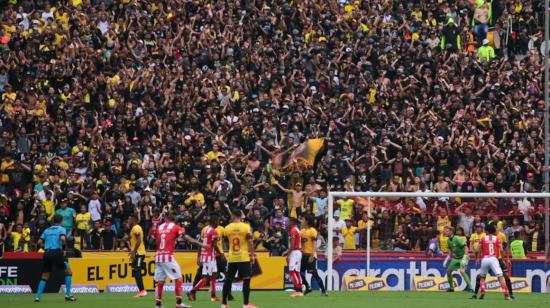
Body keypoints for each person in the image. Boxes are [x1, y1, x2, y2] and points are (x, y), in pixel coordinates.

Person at [154, 214, 203, 308]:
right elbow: (187, 239)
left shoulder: (159, 227)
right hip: (167, 256)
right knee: (178, 278)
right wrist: (201, 244)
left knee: (160, 281)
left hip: (158, 256)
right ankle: (179, 303)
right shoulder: (176, 227)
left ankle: (158, 305)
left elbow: (152, 241)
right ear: (175, 220)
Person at [34, 215, 76, 302]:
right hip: (56, 253)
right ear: (61, 221)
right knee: (69, 272)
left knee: (45, 276)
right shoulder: (61, 229)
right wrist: (64, 249)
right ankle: (68, 295)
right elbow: (63, 239)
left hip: (47, 253)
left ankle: (37, 297)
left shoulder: (47, 230)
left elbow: (39, 242)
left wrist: (46, 248)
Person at [221, 210, 257, 308]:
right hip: (243, 257)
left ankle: (224, 304)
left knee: (228, 280)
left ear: (233, 215)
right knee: (246, 280)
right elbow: (250, 242)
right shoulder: (246, 227)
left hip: (232, 257)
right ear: (241, 216)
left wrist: (228, 250)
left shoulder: (227, 228)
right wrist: (252, 255)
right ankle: (245, 304)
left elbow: (225, 241)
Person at [188, 215, 224, 302]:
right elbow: (215, 245)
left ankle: (213, 296)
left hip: (206, 256)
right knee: (207, 277)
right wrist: (221, 254)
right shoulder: (213, 231)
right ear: (214, 221)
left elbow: (201, 243)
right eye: (217, 221)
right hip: (209, 257)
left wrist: (199, 255)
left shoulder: (205, 230)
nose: (218, 223)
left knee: (214, 275)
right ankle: (192, 291)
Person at [476, 223, 511, 300]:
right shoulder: (497, 238)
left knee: (482, 277)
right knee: (500, 276)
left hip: (484, 259)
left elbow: (477, 249)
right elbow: (501, 250)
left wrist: (477, 258)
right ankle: (506, 294)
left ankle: (482, 289)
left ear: (487, 231)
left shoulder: (483, 238)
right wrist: (502, 259)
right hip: (494, 259)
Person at [300, 215, 327, 296]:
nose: (301, 220)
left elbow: (314, 244)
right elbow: (302, 242)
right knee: (300, 273)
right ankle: (308, 287)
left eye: (303, 219)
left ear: (307, 221)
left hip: (310, 255)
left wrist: (312, 255)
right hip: (304, 255)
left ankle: (323, 291)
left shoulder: (312, 231)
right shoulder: (302, 231)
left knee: (314, 273)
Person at [442, 226, 473, 292]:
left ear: (451, 232)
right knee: (448, 272)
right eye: (445, 231)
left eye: (447, 231)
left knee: (462, 271)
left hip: (463, 257)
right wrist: (446, 260)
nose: (445, 232)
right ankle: (451, 288)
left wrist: (465, 257)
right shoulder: (448, 241)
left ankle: (471, 288)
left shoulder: (457, 238)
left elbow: (466, 247)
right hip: (456, 259)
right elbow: (450, 251)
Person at [128, 214, 147, 298]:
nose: (128, 221)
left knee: (137, 271)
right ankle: (141, 290)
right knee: (136, 271)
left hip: (139, 253)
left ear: (133, 219)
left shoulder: (136, 228)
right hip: (137, 253)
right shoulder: (134, 228)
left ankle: (142, 291)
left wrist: (134, 252)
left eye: (129, 219)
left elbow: (139, 240)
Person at [284, 218, 303, 297]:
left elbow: (292, 245)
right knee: (296, 271)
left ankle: (298, 290)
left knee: (292, 271)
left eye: (287, 221)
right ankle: (299, 289)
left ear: (291, 222)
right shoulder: (296, 229)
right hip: (296, 252)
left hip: (295, 252)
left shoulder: (293, 230)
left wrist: (287, 253)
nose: (286, 223)